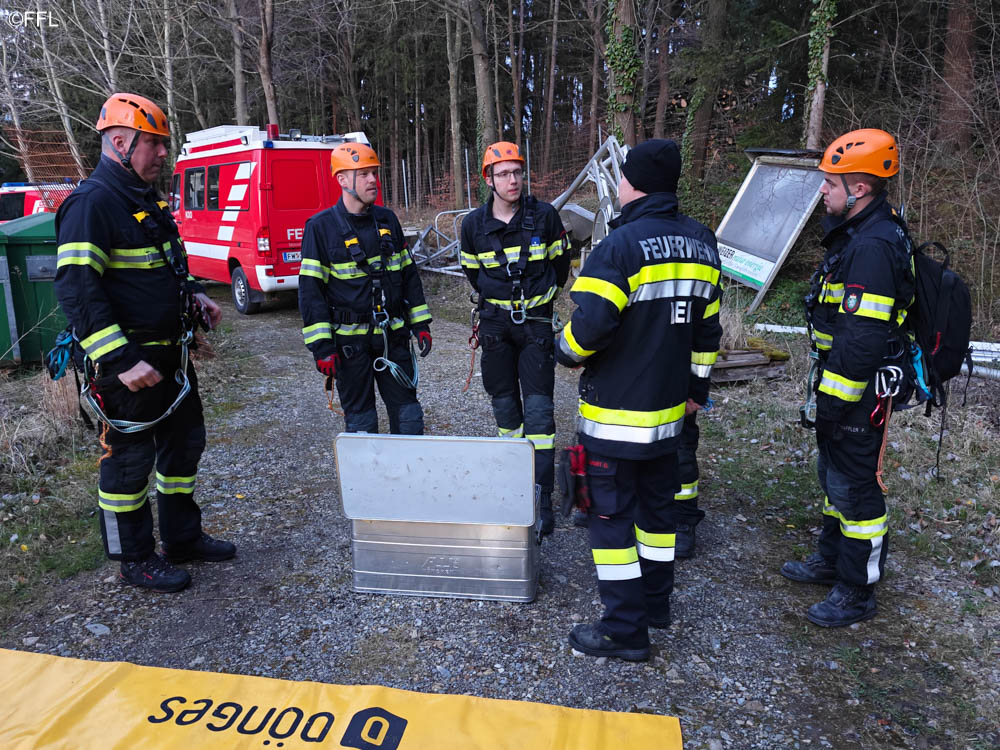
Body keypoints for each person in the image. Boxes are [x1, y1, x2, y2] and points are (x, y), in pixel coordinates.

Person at [54, 93, 233, 594]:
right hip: (129, 366)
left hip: (170, 358)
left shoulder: (146, 200)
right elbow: (77, 289)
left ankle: (181, 538)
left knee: (184, 447)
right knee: (130, 463)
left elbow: (166, 264)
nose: (162, 154)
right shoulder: (92, 204)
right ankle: (133, 559)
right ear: (119, 141)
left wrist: (195, 294)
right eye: (153, 143)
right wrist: (120, 359)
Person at [556, 139, 722, 661]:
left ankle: (624, 631)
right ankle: (655, 606)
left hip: (614, 419)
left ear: (633, 184)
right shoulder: (702, 244)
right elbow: (707, 334)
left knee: (609, 520)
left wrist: (560, 349)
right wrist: (696, 390)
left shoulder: (619, 246)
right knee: (657, 518)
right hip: (669, 420)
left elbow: (587, 333)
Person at [781, 128, 913, 628]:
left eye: (830, 183)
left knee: (856, 489)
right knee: (832, 475)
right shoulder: (859, 232)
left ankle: (857, 590)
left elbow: (861, 340)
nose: (822, 190)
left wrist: (834, 403)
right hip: (841, 383)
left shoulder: (874, 247)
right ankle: (831, 559)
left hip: (860, 390)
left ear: (859, 188)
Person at [460, 142, 570, 535]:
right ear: (488, 179)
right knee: (506, 411)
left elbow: (560, 267)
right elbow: (473, 274)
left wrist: (536, 301)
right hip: (494, 328)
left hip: (535, 325)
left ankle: (542, 500)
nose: (513, 180)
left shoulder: (545, 217)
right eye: (504, 173)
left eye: (517, 172)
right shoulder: (472, 226)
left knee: (539, 415)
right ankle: (515, 489)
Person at [298, 142, 432, 435]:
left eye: (374, 173)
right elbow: (311, 293)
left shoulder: (387, 220)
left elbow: (408, 275)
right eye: (364, 174)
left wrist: (421, 324)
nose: (373, 180)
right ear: (342, 179)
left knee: (409, 417)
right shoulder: (320, 228)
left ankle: (408, 465)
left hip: (392, 338)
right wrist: (322, 347)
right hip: (350, 347)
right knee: (362, 424)